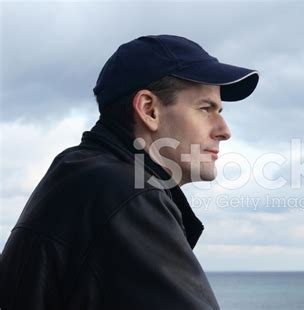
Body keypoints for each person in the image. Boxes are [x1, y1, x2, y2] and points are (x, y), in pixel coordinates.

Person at [0, 35, 259, 309]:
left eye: (220, 111)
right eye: (206, 108)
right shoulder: (127, 193)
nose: (224, 131)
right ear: (149, 110)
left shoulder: (80, 169)